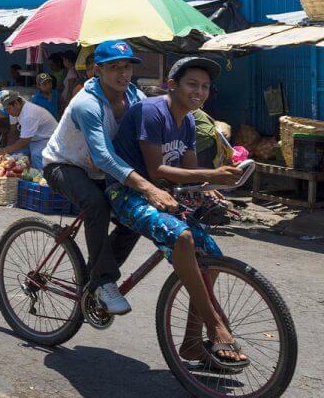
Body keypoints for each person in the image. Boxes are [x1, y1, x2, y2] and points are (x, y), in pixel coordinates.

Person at [108, 57, 249, 368]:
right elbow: (156, 169)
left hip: (165, 194)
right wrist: (211, 176)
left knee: (209, 255)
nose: (199, 91)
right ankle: (215, 325)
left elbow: (188, 170)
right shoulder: (152, 111)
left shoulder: (187, 121)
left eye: (205, 87)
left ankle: (191, 342)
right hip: (129, 191)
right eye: (192, 84)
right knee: (182, 237)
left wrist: (208, 186)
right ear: (172, 85)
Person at [43, 40, 176, 315]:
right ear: (97, 70)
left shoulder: (135, 98)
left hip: (103, 170)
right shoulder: (86, 104)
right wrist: (149, 187)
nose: (122, 74)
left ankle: (97, 272)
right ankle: (104, 282)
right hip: (65, 164)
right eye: (113, 67)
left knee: (136, 214)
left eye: (126, 67)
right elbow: (103, 156)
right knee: (96, 204)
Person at [0, 91, 57, 171]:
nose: (8, 112)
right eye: (6, 109)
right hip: (33, 139)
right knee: (14, 155)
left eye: (8, 109)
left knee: (36, 155)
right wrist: (7, 152)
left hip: (48, 138)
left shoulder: (29, 114)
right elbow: (13, 131)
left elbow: (24, 141)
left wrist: (5, 150)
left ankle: (42, 179)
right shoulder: (15, 109)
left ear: (16, 103)